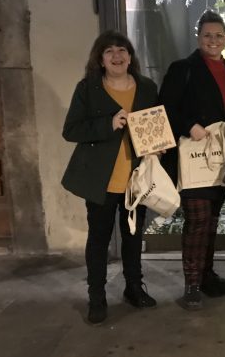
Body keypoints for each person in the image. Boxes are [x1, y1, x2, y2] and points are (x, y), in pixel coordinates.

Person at [62, 30, 158, 325]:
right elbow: (71, 130)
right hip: (101, 180)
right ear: (100, 59)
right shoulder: (88, 88)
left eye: (122, 50)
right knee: (99, 240)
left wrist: (160, 145)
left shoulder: (145, 87)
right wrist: (108, 124)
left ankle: (133, 288)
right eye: (110, 52)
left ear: (130, 56)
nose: (117, 56)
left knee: (132, 237)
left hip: (136, 179)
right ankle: (97, 297)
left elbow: (156, 124)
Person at [159, 10, 225, 310]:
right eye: (208, 35)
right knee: (197, 220)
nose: (213, 40)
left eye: (219, 35)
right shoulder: (183, 69)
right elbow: (165, 107)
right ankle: (192, 283)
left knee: (213, 221)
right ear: (198, 38)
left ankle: (207, 275)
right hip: (193, 157)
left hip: (220, 157)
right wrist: (189, 124)